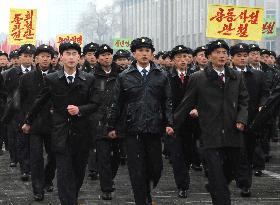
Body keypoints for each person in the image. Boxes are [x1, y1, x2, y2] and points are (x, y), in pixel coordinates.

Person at [22, 41, 99, 205]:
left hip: (82, 133)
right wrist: (28, 121)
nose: (71, 57)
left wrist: (80, 109)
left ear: (79, 58)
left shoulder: (89, 79)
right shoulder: (52, 79)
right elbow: (40, 101)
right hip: (60, 133)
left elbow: (96, 103)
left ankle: (72, 197)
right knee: (64, 173)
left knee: (78, 172)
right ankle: (68, 201)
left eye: (74, 54)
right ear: (60, 58)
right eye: (67, 54)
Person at [174, 39, 249, 205]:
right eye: (217, 52)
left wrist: (241, 119)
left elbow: (244, 101)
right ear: (209, 56)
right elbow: (185, 104)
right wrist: (172, 125)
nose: (222, 56)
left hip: (233, 133)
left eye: (224, 53)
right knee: (216, 175)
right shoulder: (198, 78)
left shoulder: (236, 76)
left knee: (230, 171)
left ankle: (215, 186)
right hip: (210, 134)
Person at [107, 37, 174, 205]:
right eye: (140, 51)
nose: (144, 54)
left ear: (152, 54)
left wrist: (169, 123)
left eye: (147, 51)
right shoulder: (124, 76)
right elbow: (117, 102)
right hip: (132, 128)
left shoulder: (161, 74)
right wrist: (111, 125)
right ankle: (141, 199)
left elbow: (167, 101)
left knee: (156, 167)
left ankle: (147, 190)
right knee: (136, 170)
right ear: (134, 54)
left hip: (154, 127)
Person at [17, 44, 57, 201]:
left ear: (52, 59)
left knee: (54, 156)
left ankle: (47, 178)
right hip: (34, 124)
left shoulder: (58, 76)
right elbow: (20, 102)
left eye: (48, 56)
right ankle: (38, 188)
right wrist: (24, 121)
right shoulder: (26, 78)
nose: (45, 58)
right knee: (36, 157)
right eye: (42, 56)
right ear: (36, 59)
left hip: (54, 124)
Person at [230, 43, 269, 197]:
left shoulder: (258, 75)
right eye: (238, 55)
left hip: (252, 120)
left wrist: (262, 105)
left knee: (248, 151)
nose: (242, 58)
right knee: (239, 153)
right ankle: (243, 182)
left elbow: (265, 93)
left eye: (244, 55)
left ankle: (244, 180)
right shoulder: (227, 75)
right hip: (232, 120)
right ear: (231, 57)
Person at [2, 44, 36, 179]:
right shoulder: (11, 73)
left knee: (34, 143)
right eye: (25, 56)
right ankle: (25, 169)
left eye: (30, 56)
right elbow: (8, 92)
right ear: (20, 57)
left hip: (35, 112)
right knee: (21, 142)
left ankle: (33, 167)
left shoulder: (37, 72)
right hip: (18, 112)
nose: (27, 59)